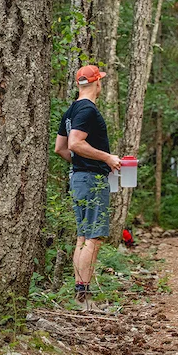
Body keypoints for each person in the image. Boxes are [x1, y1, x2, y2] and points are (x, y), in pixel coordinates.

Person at [54, 65, 122, 308]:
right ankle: (83, 298)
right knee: (92, 238)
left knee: (83, 237)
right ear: (97, 83)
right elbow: (74, 143)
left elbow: (59, 148)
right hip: (91, 181)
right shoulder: (87, 109)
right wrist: (107, 158)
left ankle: (79, 294)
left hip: (79, 178)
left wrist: (82, 163)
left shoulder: (71, 110)